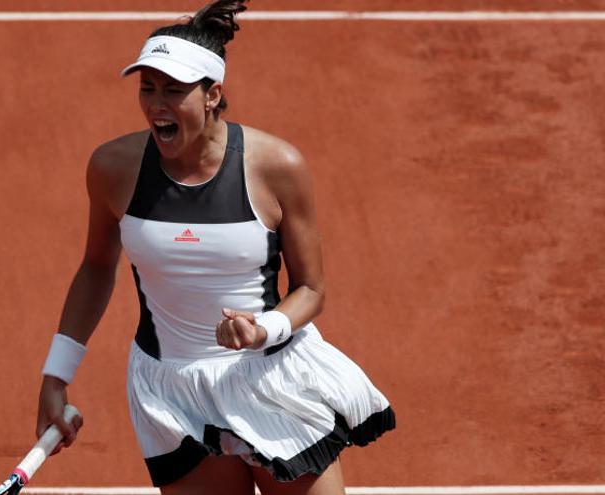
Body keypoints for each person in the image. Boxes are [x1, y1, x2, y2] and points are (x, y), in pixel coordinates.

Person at [35, 1, 395, 493]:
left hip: (271, 378)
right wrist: (56, 377)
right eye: (148, 88)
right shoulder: (112, 169)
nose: (157, 104)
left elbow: (312, 288)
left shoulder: (276, 166)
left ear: (212, 95)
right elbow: (97, 266)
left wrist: (261, 330)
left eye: (175, 90)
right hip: (172, 390)